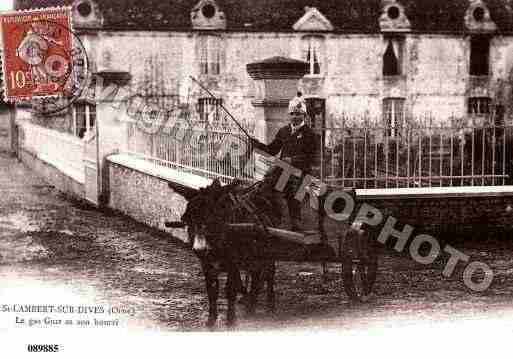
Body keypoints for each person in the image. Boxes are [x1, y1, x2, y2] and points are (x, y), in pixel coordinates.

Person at [251, 93, 317, 231]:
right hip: (283, 171)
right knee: (264, 186)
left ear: (304, 116)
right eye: (292, 113)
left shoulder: (310, 134)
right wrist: (257, 145)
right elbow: (272, 149)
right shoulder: (284, 131)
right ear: (289, 115)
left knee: (293, 191)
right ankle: (272, 217)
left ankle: (296, 222)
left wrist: (292, 160)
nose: (295, 116)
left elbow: (312, 158)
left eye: (298, 114)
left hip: (302, 173)